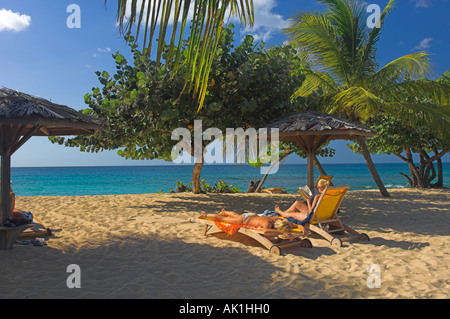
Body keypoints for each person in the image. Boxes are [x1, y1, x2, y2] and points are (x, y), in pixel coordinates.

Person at [201, 209, 308, 237]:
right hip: (244, 220)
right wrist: (281, 232)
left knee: (236, 215)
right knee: (222, 219)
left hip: (252, 215)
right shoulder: (267, 223)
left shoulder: (277, 219)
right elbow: (266, 231)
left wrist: (302, 229)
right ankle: (205, 215)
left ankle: (225, 211)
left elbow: (296, 225)